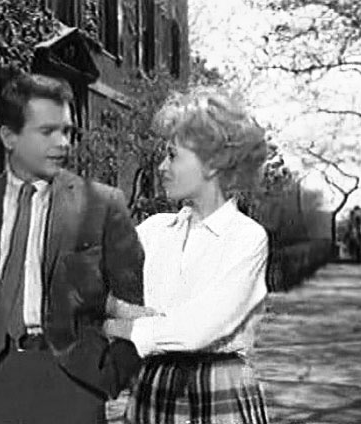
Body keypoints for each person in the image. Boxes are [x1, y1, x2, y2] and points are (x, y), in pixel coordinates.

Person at [0, 73, 147, 424]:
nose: (63, 143)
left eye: (67, 131)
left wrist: (112, 375)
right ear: (9, 137)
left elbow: (133, 304)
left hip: (75, 383)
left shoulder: (102, 205)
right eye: (47, 131)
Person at [104, 89, 271, 423]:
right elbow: (96, 291)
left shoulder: (246, 238)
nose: (162, 167)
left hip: (219, 389)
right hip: (155, 385)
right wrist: (121, 311)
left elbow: (197, 330)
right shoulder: (154, 230)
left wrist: (115, 325)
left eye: (173, 156)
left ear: (212, 163)